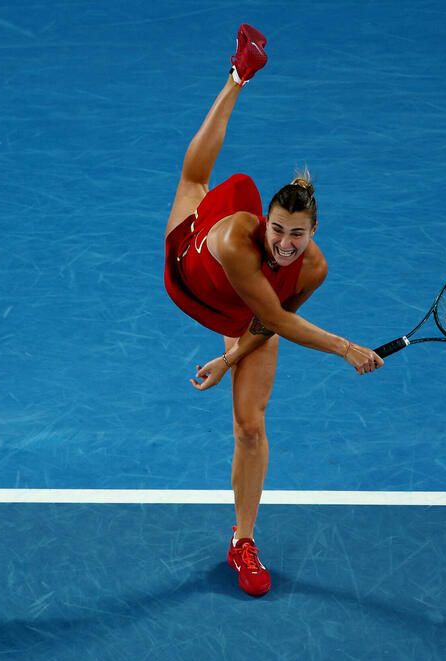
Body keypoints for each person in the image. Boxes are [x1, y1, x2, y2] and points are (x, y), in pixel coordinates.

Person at [163, 24, 384, 597]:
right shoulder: (241, 241)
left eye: (298, 236)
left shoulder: (312, 268)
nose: (286, 244)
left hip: (244, 315)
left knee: (250, 427)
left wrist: (228, 359)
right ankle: (239, 72)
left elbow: (267, 321)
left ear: (314, 233)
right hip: (195, 275)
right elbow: (282, 319)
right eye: (280, 230)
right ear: (267, 220)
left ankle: (243, 542)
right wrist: (346, 348)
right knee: (195, 180)